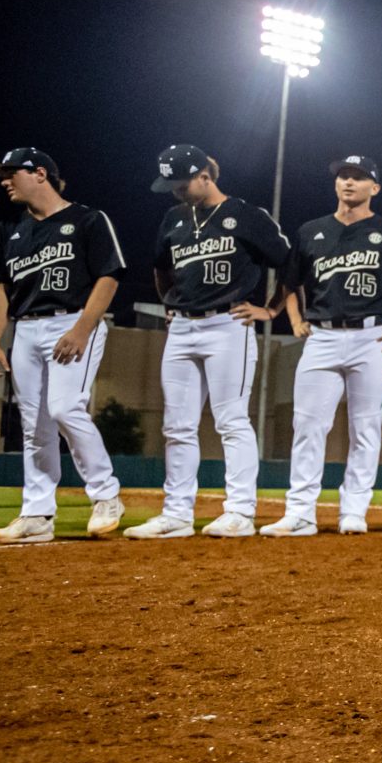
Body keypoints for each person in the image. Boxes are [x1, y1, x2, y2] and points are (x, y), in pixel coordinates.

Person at [129, 145, 290, 540]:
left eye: (181, 183)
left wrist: (270, 310)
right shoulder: (173, 218)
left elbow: (289, 261)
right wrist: (170, 304)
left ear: (205, 175)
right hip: (182, 329)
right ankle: (177, 514)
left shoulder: (246, 215)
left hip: (227, 325)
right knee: (176, 426)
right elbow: (162, 268)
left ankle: (239, 512)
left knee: (231, 419)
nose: (175, 191)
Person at [0, 148, 127, 544]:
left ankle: (106, 495)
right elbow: (0, 292)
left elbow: (109, 277)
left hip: (73, 320)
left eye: (12, 173)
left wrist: (82, 328)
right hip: (26, 329)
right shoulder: (11, 231)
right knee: (34, 427)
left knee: (64, 408)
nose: (4, 181)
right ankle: (37, 514)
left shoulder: (87, 219)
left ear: (40, 173)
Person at [267, 154, 382, 537]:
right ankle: (300, 512)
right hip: (323, 336)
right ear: (336, 185)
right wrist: (297, 320)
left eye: (359, 177)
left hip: (373, 336)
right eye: (343, 176)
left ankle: (354, 510)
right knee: (307, 424)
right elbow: (290, 282)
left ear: (375, 188)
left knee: (365, 428)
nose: (349, 182)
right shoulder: (311, 231)